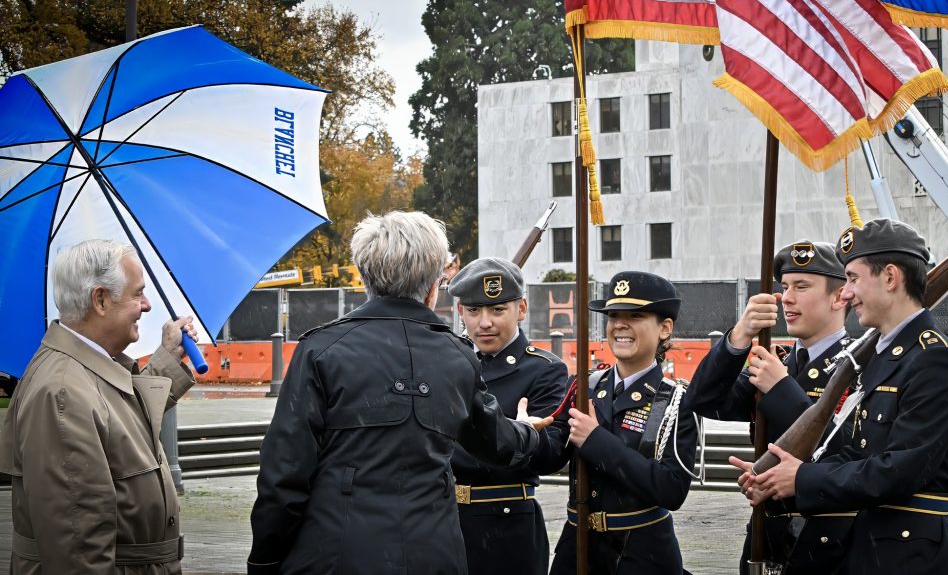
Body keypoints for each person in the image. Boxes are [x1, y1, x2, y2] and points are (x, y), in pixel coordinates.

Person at [247, 212, 550, 575]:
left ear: (364, 278)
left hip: (335, 553)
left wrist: (264, 559)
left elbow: (283, 472)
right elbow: (495, 441)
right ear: (434, 286)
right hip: (435, 555)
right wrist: (527, 431)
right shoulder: (456, 356)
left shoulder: (321, 350)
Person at [732, 219, 948, 575]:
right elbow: (858, 452)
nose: (846, 293)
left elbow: (899, 470)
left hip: (910, 554)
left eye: (852, 278)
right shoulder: (883, 355)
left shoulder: (934, 360)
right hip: (868, 546)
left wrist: (801, 479)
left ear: (890, 277)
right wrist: (774, 478)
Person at [0, 239, 197, 574]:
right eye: (138, 293)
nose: (147, 305)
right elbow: (78, 550)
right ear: (101, 300)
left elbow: (123, 420)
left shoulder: (84, 369)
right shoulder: (62, 395)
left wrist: (166, 357)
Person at [685, 241, 855, 573]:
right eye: (785, 287)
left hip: (831, 540)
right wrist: (738, 337)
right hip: (767, 535)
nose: (786, 298)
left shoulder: (860, 364)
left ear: (839, 296)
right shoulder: (777, 363)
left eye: (801, 287)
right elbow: (703, 400)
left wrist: (781, 389)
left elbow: (846, 446)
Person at [548, 271, 699, 575]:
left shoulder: (673, 401)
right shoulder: (583, 387)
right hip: (576, 548)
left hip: (641, 553)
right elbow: (549, 453)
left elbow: (670, 490)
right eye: (613, 315)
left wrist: (596, 442)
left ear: (665, 328)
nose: (620, 325)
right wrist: (518, 432)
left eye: (636, 315)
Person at [447, 257, 568, 575]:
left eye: (497, 310)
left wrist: (524, 435)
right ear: (461, 313)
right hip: (444, 524)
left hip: (508, 526)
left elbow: (552, 454)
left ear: (522, 309)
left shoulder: (544, 369)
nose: (484, 322)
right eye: (473, 311)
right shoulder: (447, 362)